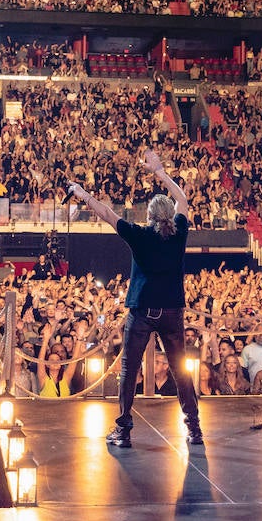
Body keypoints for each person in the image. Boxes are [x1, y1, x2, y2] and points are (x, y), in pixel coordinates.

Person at [68, 148, 203, 449]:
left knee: (130, 370)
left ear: (150, 216)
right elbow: (183, 199)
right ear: (170, 216)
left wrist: (80, 193)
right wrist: (159, 172)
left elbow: (106, 213)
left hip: (142, 310)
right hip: (172, 311)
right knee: (180, 367)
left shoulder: (139, 235)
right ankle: (193, 429)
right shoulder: (179, 231)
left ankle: (123, 431)